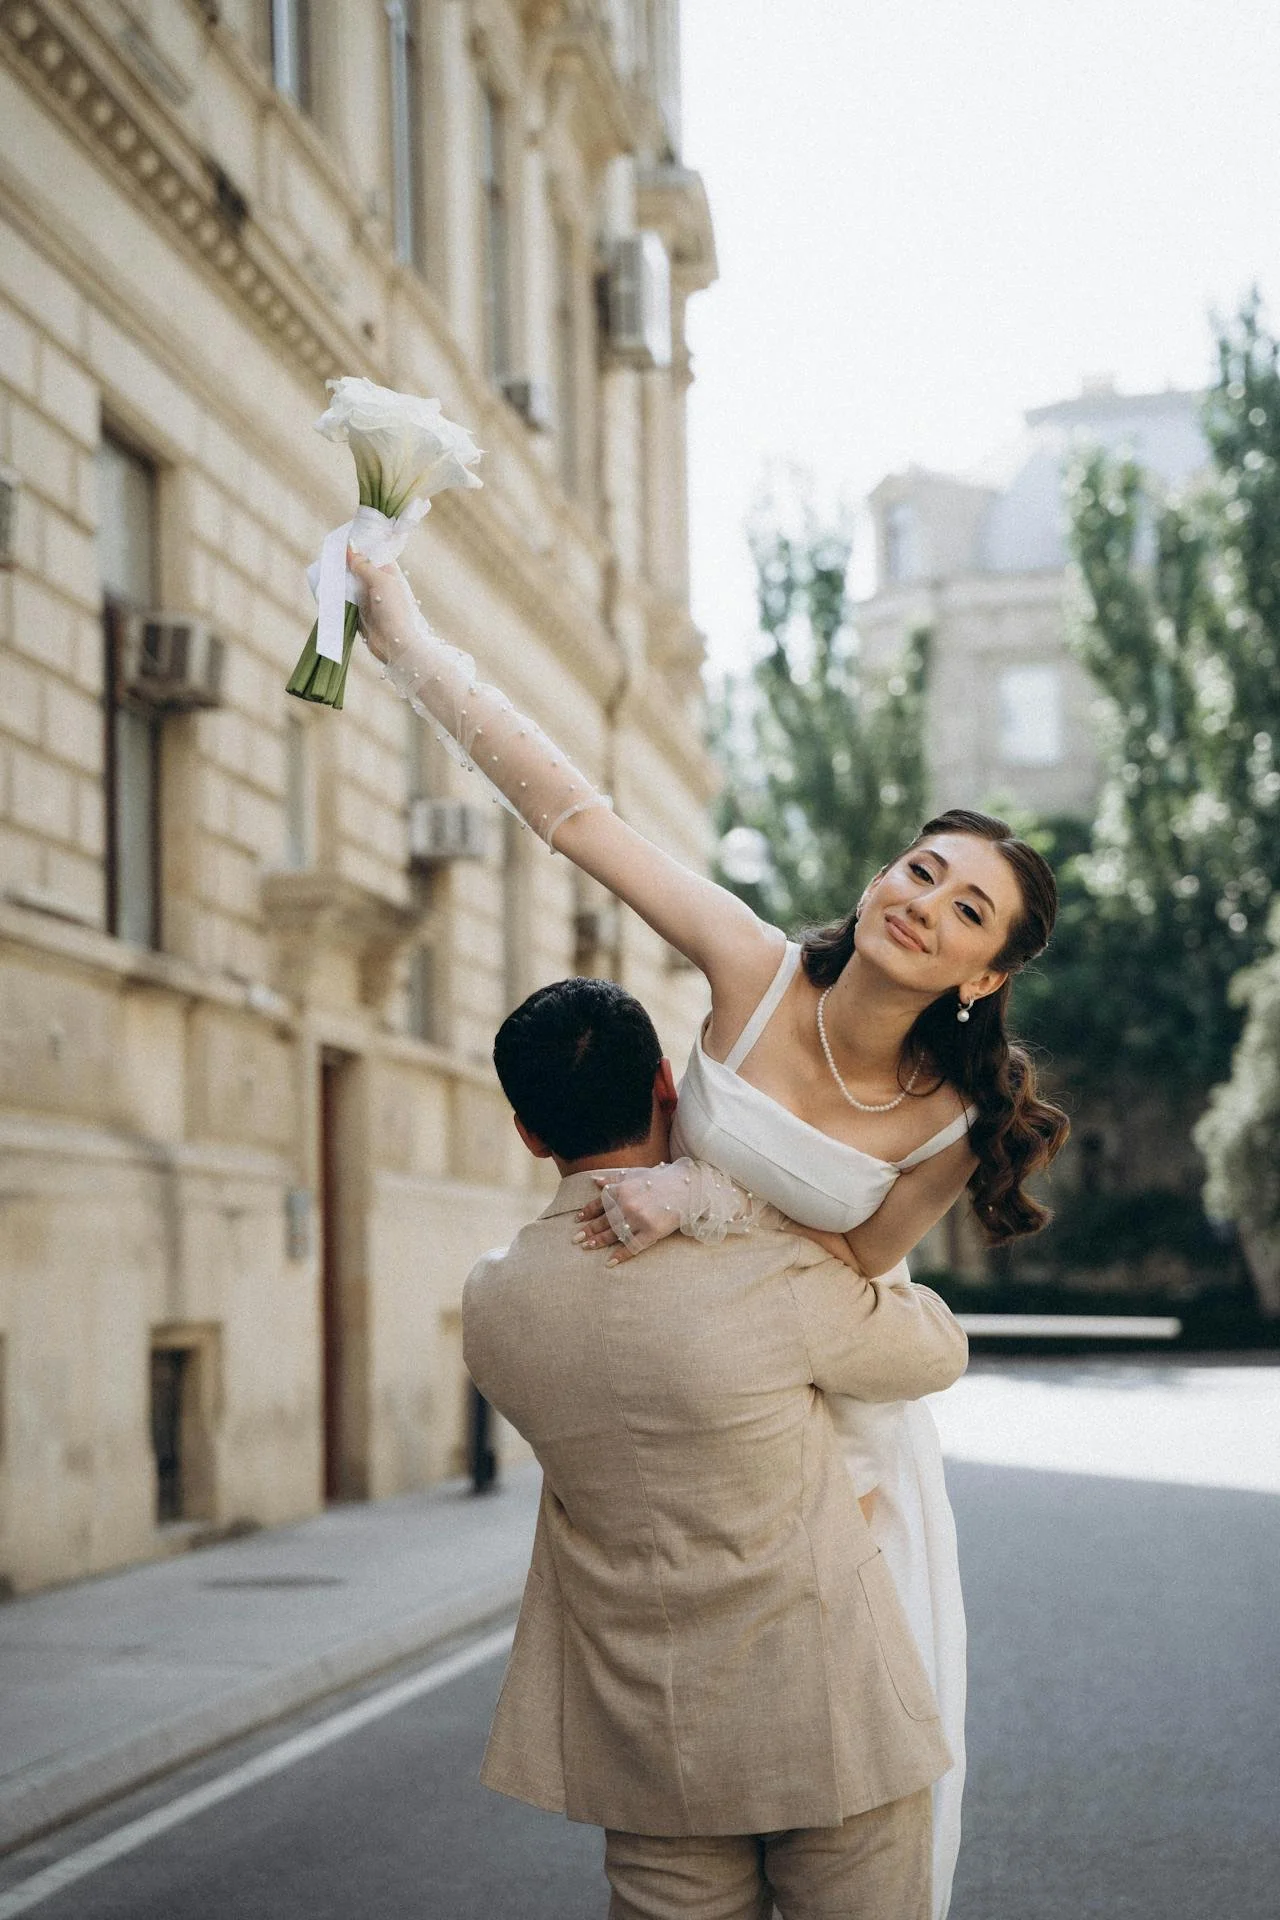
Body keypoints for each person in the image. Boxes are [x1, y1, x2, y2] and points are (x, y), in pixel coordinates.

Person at [346, 548, 1071, 1916]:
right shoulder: (749, 971)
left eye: (965, 908)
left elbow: (855, 1278)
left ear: (982, 974)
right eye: (922, 868)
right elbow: (574, 812)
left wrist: (715, 1194)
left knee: (862, 1764)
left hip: (830, 1418)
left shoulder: (943, 1121)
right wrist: (409, 643)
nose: (922, 900)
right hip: (688, 1357)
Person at [464, 975, 970, 1920]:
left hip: (650, 1743)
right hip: (832, 1721)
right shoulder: (760, 1266)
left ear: (530, 1132)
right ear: (667, 1085)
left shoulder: (493, 1302)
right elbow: (934, 1353)